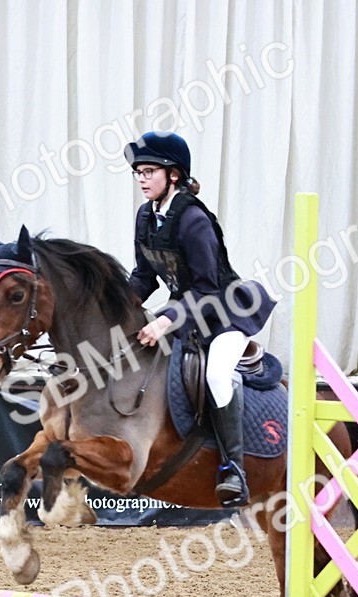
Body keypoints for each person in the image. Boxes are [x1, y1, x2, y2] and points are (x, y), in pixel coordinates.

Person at [124, 131, 275, 508]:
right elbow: (144, 276)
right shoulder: (146, 216)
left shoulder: (194, 219)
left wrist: (164, 321)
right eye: (138, 172)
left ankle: (233, 469)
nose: (142, 179)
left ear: (173, 175)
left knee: (218, 375)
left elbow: (207, 288)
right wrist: (118, 304)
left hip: (224, 313)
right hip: (187, 312)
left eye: (149, 171)